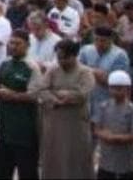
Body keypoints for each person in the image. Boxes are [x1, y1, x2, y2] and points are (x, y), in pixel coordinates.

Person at [36, 39, 96, 179]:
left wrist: (62, 94)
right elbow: (42, 89)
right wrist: (55, 98)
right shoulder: (53, 70)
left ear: (73, 56)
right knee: (54, 156)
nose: (61, 61)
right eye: (58, 58)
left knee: (76, 157)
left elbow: (82, 94)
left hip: (75, 123)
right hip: (54, 122)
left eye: (64, 58)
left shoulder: (85, 72)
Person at [0, 30, 41, 180]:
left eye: (17, 44)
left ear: (27, 45)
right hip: (3, 126)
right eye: (11, 43)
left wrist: (12, 95)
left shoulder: (32, 67)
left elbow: (35, 96)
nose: (13, 46)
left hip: (24, 130)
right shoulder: (3, 63)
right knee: (1, 169)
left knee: (27, 171)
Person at [93, 70, 133, 180]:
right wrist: (104, 135)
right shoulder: (103, 107)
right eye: (113, 88)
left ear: (128, 89)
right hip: (106, 159)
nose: (116, 92)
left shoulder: (132, 110)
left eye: (119, 88)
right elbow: (96, 129)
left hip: (126, 159)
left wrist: (117, 138)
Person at [79, 26, 130, 117]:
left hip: (107, 101)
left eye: (103, 40)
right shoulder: (85, 50)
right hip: (87, 100)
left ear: (111, 40)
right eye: (96, 40)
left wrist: (88, 70)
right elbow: (78, 72)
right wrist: (95, 73)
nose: (99, 43)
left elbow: (113, 82)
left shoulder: (120, 55)